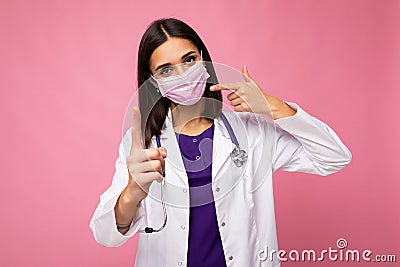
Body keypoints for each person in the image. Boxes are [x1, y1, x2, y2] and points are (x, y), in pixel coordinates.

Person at [89, 17, 352, 267]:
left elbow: (334, 157)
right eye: (166, 69)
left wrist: (273, 107)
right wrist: (132, 193)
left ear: (203, 60)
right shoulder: (140, 145)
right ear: (153, 82)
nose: (181, 74)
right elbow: (106, 235)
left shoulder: (251, 133)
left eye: (189, 60)